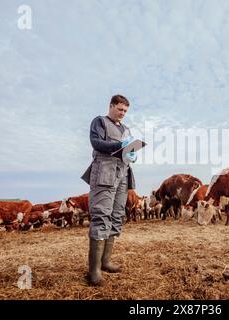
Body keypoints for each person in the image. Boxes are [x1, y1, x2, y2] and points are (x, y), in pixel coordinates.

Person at [81, 94, 137, 286]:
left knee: (116, 216)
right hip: (104, 170)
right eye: (120, 109)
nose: (122, 113)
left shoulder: (126, 129)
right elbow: (96, 143)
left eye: (125, 111)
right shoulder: (100, 122)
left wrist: (131, 153)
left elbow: (128, 153)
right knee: (101, 215)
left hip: (122, 173)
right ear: (111, 106)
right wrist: (119, 145)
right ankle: (93, 271)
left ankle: (105, 262)